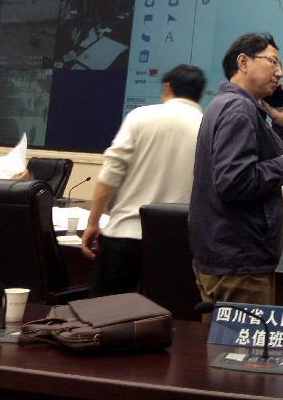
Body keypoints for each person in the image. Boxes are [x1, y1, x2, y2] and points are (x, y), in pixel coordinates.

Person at [189, 33, 283, 308]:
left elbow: (248, 165)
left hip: (223, 253)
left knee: (218, 348)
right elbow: (234, 182)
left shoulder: (224, 104)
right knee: (242, 349)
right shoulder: (240, 109)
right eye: (273, 62)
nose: (280, 73)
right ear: (243, 61)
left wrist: (278, 124)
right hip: (239, 260)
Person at [81, 64, 207, 296]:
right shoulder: (208, 126)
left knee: (103, 317)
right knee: (169, 319)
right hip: (178, 244)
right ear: (201, 95)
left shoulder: (140, 117)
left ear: (167, 88)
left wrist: (93, 222)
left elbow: (111, 173)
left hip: (125, 235)